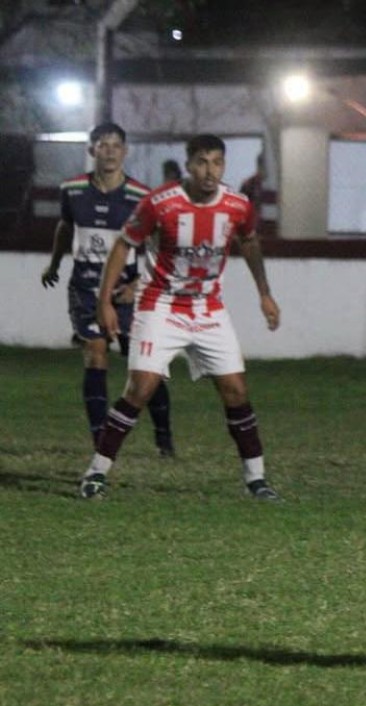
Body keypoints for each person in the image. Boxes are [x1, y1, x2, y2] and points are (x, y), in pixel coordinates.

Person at [78, 134, 281, 502]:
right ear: (188, 165)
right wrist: (105, 301)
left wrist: (264, 293)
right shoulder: (161, 203)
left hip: (208, 308)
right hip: (160, 305)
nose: (210, 171)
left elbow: (250, 241)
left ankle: (257, 480)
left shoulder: (237, 205)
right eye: (202, 162)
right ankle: (96, 473)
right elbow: (123, 244)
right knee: (140, 388)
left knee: (236, 390)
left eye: (217, 163)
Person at [41, 122, 175, 456]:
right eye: (103, 145)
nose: (110, 151)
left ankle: (164, 435)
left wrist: (138, 284)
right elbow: (65, 226)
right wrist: (54, 264)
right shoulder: (72, 189)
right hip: (85, 287)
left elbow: (159, 245)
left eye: (116, 145)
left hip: (126, 291)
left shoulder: (141, 197)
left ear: (125, 151)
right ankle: (101, 441)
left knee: (144, 365)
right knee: (95, 350)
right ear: (92, 150)